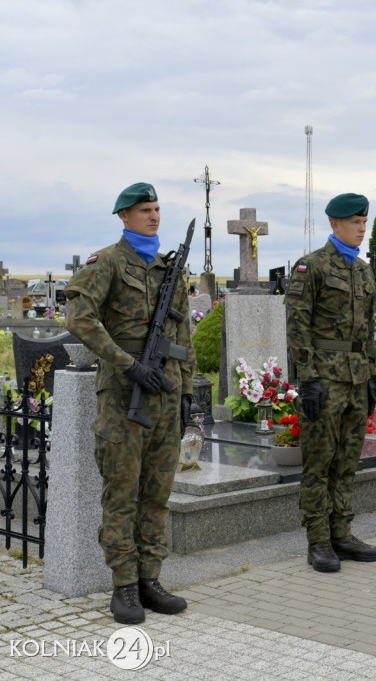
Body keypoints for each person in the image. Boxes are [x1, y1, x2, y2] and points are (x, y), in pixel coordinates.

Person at [65, 182, 194, 624]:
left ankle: (150, 580)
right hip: (124, 396)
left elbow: (182, 337)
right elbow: (79, 318)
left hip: (166, 392)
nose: (154, 216)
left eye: (157, 209)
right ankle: (123, 587)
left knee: (157, 496)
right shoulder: (108, 262)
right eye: (144, 210)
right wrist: (126, 364)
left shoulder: (168, 268)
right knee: (123, 495)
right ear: (124, 216)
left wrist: (188, 393)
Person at [285, 193, 376, 572]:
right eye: (355, 222)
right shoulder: (311, 268)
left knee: (347, 462)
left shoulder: (362, 271)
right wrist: (307, 380)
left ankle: (342, 532)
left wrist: (372, 377)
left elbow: (367, 331)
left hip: (357, 380)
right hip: (325, 381)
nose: (362, 228)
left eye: (364, 222)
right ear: (334, 225)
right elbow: (298, 329)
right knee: (319, 463)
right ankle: (318, 540)